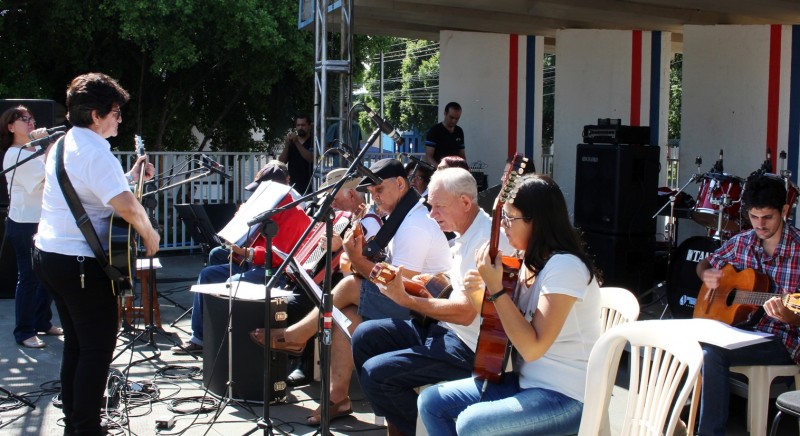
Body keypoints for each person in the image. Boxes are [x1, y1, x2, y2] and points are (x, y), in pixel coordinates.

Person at [250, 158, 451, 426]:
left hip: (423, 314)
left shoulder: (413, 224)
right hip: (411, 304)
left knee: (348, 287)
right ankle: (338, 398)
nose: (374, 198)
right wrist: (358, 259)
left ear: (400, 184)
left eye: (379, 190)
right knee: (344, 315)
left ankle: (295, 336)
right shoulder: (401, 216)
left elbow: (400, 285)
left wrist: (357, 261)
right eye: (371, 193)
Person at [418, 174, 602, 435]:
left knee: (472, 423)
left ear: (536, 221)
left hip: (567, 396)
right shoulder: (525, 261)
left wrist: (495, 290)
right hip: (528, 384)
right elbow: (505, 327)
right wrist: (478, 295)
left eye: (509, 218)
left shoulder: (564, 267)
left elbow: (531, 348)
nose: (502, 225)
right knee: (432, 402)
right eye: (501, 216)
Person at [32, 72, 159, 436]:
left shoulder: (65, 143)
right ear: (95, 116)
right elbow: (128, 208)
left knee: (77, 344)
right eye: (115, 112)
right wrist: (151, 234)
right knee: (97, 349)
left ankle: (76, 421)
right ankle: (86, 428)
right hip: (79, 264)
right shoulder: (93, 151)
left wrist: (130, 175)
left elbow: (91, 189)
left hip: (50, 255)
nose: (119, 119)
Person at [352, 168, 512, 435]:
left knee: (376, 375)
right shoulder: (465, 232)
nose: (431, 214)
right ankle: (401, 426)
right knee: (365, 336)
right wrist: (416, 282)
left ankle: (423, 429)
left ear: (465, 202)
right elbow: (452, 285)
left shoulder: (485, 240)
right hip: (445, 331)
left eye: (438, 206)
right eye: (430, 205)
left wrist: (404, 297)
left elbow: (465, 313)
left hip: (468, 347)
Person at [695, 174, 800, 436]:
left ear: (784, 211)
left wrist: (790, 316)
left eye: (768, 218)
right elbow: (705, 263)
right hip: (741, 331)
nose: (760, 225)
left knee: (711, 354)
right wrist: (706, 275)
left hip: (782, 339)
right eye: (754, 217)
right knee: (684, 339)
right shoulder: (742, 241)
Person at [171, 176, 311, 355]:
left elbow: (277, 256)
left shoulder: (295, 214)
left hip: (276, 271)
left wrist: (245, 252)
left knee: (233, 281)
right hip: (254, 263)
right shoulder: (266, 207)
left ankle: (228, 343)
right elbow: (245, 237)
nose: (254, 195)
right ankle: (200, 338)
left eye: (258, 191)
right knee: (208, 275)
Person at [1, 106, 62, 348]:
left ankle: (41, 321)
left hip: (42, 221)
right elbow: (44, 176)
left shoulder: (33, 151)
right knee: (28, 278)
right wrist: (48, 148)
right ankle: (24, 331)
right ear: (10, 126)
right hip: (24, 222)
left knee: (47, 276)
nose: (30, 123)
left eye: (31, 119)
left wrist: (43, 148)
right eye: (23, 119)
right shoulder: (14, 154)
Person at [278, 114, 314, 194]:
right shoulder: (291, 142)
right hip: (293, 184)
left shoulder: (314, 141)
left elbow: (310, 158)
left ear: (309, 126)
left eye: (303, 125)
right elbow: (282, 161)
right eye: (298, 125)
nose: (300, 128)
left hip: (310, 184)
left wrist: (297, 142)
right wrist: (287, 145)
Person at [425, 102, 465, 167]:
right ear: (445, 113)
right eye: (451, 117)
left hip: (455, 172)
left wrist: (465, 168)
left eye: (457, 118)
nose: (454, 121)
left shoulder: (459, 131)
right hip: (439, 172)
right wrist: (440, 168)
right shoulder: (434, 131)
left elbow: (462, 155)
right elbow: (428, 157)